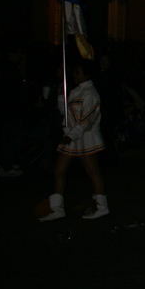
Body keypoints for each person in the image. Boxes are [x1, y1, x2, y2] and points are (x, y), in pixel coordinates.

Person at [39, 60, 108, 221]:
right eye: (74, 72)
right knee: (59, 170)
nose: (74, 75)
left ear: (87, 75)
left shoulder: (91, 94)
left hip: (85, 137)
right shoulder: (77, 91)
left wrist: (71, 135)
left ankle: (102, 207)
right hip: (73, 136)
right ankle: (57, 208)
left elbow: (86, 120)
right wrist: (60, 96)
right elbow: (66, 113)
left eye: (78, 72)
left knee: (92, 172)